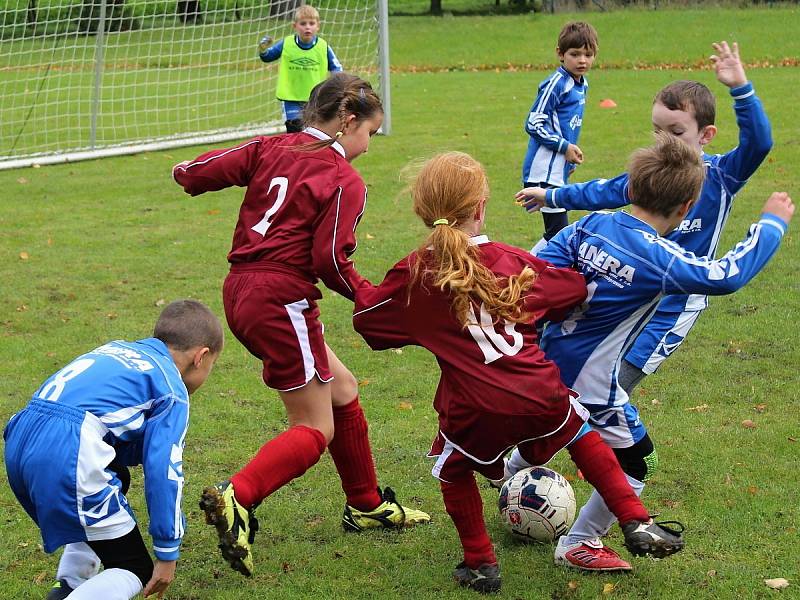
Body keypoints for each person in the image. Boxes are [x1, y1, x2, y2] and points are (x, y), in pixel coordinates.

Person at [353, 152, 686, 594]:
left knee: (453, 471)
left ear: (422, 211)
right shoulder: (512, 261)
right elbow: (569, 290)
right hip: (537, 388)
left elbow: (370, 322)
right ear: (480, 208)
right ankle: (635, 519)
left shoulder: (414, 275)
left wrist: (354, 281)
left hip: (474, 405)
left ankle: (480, 564)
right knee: (578, 432)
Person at [172, 72, 430, 579]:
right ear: (348, 121)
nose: (368, 148)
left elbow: (194, 173)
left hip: (240, 289)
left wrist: (186, 171)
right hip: (280, 298)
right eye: (369, 135)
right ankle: (236, 498)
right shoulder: (343, 179)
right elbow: (330, 258)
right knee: (314, 426)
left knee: (343, 388)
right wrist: (370, 296)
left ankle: (366, 503)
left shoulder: (271, 145)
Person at [511, 133, 793, 572]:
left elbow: (534, 265)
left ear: (631, 188)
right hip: (591, 383)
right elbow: (725, 275)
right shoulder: (659, 256)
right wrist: (771, 224)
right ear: (685, 209)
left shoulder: (590, 225)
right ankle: (579, 543)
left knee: (552, 429)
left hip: (538, 364)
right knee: (638, 460)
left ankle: (512, 479)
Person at [519, 41, 772, 398]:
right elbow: (601, 191)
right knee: (576, 379)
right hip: (627, 290)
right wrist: (552, 195)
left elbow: (758, 144)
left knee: (613, 388)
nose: (663, 141)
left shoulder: (722, 176)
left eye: (676, 132)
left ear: (706, 135)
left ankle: (625, 450)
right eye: (657, 131)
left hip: (673, 305)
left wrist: (741, 89)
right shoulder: (651, 175)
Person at [4, 299, 224, 600]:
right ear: (201, 357)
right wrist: (167, 550)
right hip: (69, 450)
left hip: (21, 435)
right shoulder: (172, 390)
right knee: (134, 569)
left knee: (115, 475)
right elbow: (164, 473)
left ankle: (70, 584)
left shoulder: (117, 349)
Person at [522, 21, 598, 255]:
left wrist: (566, 161)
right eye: (575, 54)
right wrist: (564, 147)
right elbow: (534, 122)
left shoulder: (581, 83)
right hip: (543, 171)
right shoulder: (557, 83)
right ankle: (528, 272)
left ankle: (527, 270)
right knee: (558, 235)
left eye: (588, 54)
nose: (582, 60)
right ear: (560, 54)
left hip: (557, 170)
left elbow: (564, 126)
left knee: (556, 233)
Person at [258, 4, 343, 133]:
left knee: (313, 133)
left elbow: (336, 69)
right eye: (303, 23)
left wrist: (337, 88)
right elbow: (267, 57)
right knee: (295, 129)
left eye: (311, 23)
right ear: (295, 26)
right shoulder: (286, 43)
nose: (307, 27)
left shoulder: (323, 47)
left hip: (315, 99)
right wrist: (263, 49)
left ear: (317, 26)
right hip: (291, 97)